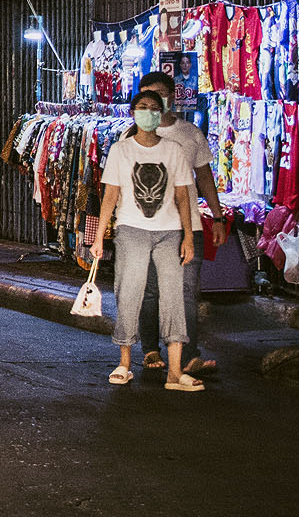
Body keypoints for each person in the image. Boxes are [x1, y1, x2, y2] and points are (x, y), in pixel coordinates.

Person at [90, 89, 202, 392]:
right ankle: (124, 362)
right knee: (129, 292)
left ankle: (175, 372)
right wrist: (100, 237)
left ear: (162, 111)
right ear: (133, 112)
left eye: (154, 107)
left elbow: (182, 196)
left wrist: (188, 237)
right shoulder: (121, 150)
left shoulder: (174, 150)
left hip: (169, 232)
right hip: (131, 229)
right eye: (142, 107)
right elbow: (110, 195)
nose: (149, 111)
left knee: (173, 297)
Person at [134, 70, 227, 377]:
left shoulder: (190, 134)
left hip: (189, 228)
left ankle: (189, 355)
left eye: (158, 93)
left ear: (171, 97)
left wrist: (217, 216)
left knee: (186, 292)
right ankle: (150, 349)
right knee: (151, 292)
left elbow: (205, 178)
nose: (153, 100)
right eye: (146, 94)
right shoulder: (130, 136)